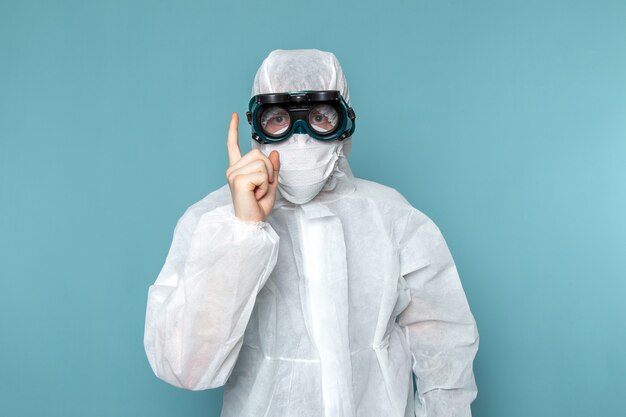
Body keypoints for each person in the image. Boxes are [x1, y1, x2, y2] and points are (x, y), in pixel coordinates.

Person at [143, 49, 479, 417]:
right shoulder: (214, 222)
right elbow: (185, 366)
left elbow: (442, 338)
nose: (299, 137)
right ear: (257, 131)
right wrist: (242, 232)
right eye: (278, 118)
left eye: (320, 117)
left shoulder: (392, 215)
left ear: (345, 124)